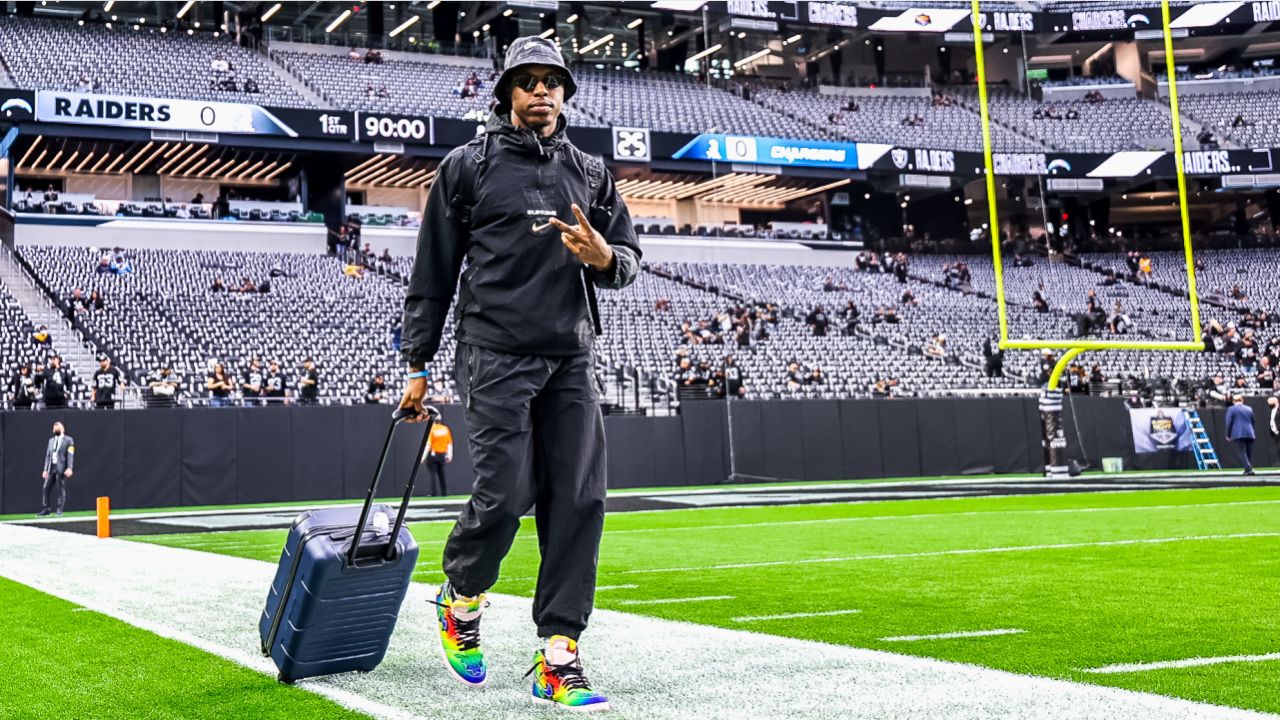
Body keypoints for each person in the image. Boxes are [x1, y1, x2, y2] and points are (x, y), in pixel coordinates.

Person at [398, 35, 639, 710]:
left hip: (570, 356)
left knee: (580, 501)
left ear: (565, 92)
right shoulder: (466, 168)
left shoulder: (591, 173)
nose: (541, 90)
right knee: (504, 496)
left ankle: (559, 656)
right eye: (527, 80)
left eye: (552, 80)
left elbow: (628, 256)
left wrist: (603, 258)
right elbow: (433, 273)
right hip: (495, 351)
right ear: (506, 91)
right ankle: (462, 598)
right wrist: (416, 363)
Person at [37, 422, 75, 517]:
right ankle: (46, 508)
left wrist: (69, 467)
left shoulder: (68, 440)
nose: (55, 430)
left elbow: (70, 455)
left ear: (62, 429)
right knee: (46, 487)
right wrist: (45, 469)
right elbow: (48, 455)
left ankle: (59, 509)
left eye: (57, 428)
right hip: (51, 467)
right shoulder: (51, 441)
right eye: (54, 428)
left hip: (61, 468)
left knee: (60, 489)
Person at [422, 418, 454, 497]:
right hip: (442, 454)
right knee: (442, 474)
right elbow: (449, 443)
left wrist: (423, 457)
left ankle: (433, 493)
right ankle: (444, 492)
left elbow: (428, 444)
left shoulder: (432, 429)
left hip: (433, 454)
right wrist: (449, 455)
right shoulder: (445, 429)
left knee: (432, 473)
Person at [1225, 395, 1256, 476]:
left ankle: (1248, 469)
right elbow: (1253, 421)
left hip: (1238, 433)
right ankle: (1248, 469)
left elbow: (1229, 422)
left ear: (1233, 401)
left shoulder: (1231, 409)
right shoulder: (1249, 408)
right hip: (1250, 433)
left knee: (1242, 452)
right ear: (1242, 400)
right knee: (1248, 453)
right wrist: (1252, 430)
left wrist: (1228, 434)